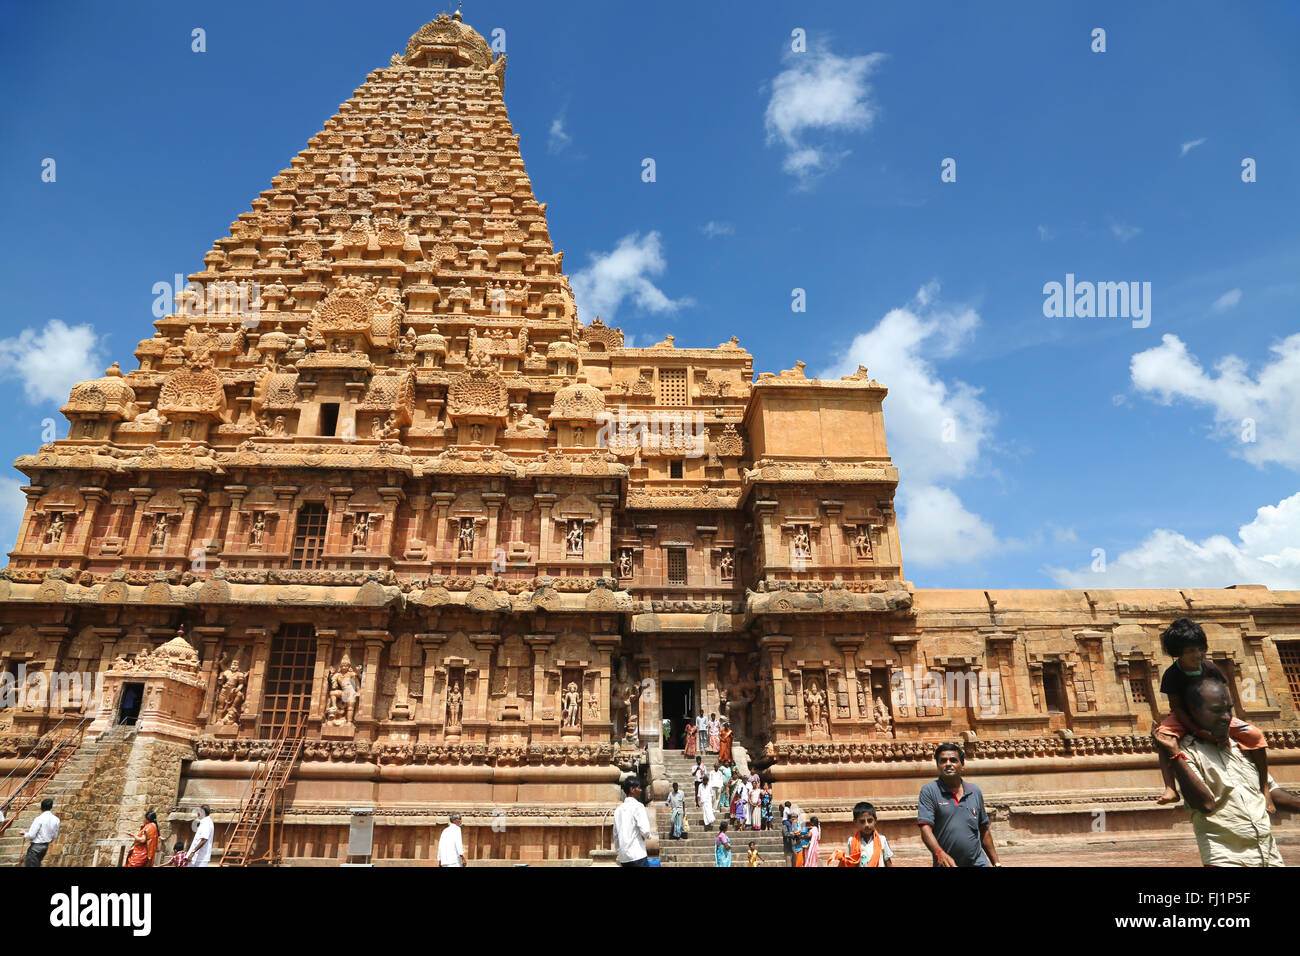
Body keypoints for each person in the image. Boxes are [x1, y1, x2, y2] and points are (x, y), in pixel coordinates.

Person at [1153, 678, 1300, 866]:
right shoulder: (1187, 753)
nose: (1226, 717)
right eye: (1216, 711)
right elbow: (1205, 803)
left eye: (1228, 710)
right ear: (1194, 713)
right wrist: (1174, 754)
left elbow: (1269, 791)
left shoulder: (1241, 746)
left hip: (1268, 856)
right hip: (1226, 858)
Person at [1153, 618, 1271, 810]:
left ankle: (1264, 787)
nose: (1197, 654)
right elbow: (1177, 708)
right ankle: (1170, 787)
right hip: (1185, 717)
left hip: (1216, 714)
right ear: (1178, 653)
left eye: (1200, 649)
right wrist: (1198, 731)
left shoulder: (1211, 669)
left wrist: (1225, 728)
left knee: (1255, 735)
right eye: (1190, 650)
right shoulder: (1172, 675)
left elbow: (1225, 699)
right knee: (1163, 737)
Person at [917, 743, 1001, 867]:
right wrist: (939, 853)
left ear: (962, 765)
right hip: (947, 864)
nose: (948, 764)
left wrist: (996, 863)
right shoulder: (929, 791)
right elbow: (925, 828)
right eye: (943, 761)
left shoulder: (974, 791)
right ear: (938, 765)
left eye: (953, 760)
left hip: (978, 863)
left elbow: (984, 829)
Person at [834, 801, 894, 867]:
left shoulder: (882, 840)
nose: (867, 825)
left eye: (870, 821)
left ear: (875, 820)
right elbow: (848, 862)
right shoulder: (851, 841)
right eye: (862, 821)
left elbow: (888, 862)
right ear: (855, 822)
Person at [613, 776, 652, 867]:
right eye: (638, 788)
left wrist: (620, 851)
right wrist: (648, 836)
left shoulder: (618, 810)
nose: (640, 790)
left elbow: (615, 835)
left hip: (624, 857)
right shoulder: (638, 806)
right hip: (637, 854)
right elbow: (645, 831)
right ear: (632, 789)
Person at [23, 798, 60, 867]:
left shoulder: (39, 819)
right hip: (45, 846)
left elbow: (31, 835)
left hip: (36, 847)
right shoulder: (56, 819)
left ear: (41, 807)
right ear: (51, 807)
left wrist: (25, 833)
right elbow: (55, 835)